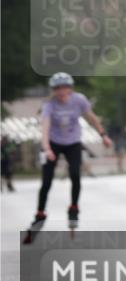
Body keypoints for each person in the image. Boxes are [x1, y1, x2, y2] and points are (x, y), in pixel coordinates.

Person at [23, 73, 112, 243]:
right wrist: (47, 148)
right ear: (54, 90)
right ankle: (39, 214)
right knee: (46, 182)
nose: (61, 92)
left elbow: (92, 118)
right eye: (57, 89)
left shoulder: (79, 100)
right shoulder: (49, 104)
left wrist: (103, 135)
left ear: (70, 88)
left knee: (75, 174)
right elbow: (45, 127)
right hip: (53, 143)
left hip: (73, 142)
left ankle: (73, 208)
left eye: (65, 88)